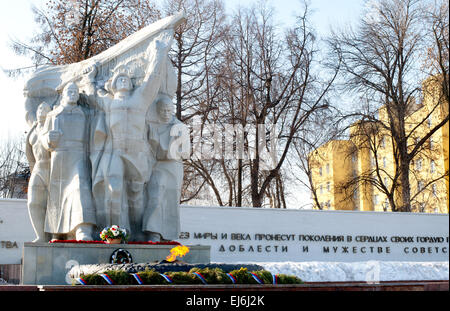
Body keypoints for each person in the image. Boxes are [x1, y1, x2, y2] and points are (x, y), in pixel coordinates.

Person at [84, 37, 171, 241]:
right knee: (113, 190)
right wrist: (90, 75)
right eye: (119, 78)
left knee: (136, 193)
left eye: (126, 78)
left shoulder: (140, 98)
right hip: (113, 151)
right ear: (113, 84)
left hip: (137, 152)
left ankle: (138, 231)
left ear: (131, 84)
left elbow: (152, 80)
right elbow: (91, 92)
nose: (123, 79)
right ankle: (114, 232)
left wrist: (158, 54)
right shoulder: (108, 102)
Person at [43, 82, 96, 241]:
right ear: (63, 94)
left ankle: (83, 228)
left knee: (81, 187)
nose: (73, 93)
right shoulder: (53, 115)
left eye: (76, 91)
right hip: (59, 156)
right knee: (58, 194)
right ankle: (58, 231)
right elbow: (43, 137)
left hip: (80, 154)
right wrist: (48, 139)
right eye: (70, 91)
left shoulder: (86, 113)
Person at [143, 94, 189, 241]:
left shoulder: (180, 127)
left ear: (173, 109)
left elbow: (187, 152)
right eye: (162, 110)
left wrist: (171, 150)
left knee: (171, 200)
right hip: (156, 166)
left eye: (168, 110)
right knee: (155, 197)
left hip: (173, 167)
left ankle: (169, 236)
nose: (165, 113)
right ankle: (153, 232)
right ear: (157, 110)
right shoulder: (151, 126)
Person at [26, 102, 52, 242]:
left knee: (53, 204)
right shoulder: (33, 129)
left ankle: (53, 235)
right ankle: (41, 236)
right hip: (38, 168)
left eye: (45, 109)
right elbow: (29, 153)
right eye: (40, 108)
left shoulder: (52, 126)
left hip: (52, 168)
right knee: (33, 203)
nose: (42, 111)